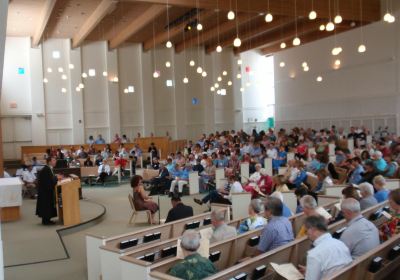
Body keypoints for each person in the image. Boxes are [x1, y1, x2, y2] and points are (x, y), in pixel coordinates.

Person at [298, 216, 352, 280]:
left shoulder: (314, 255)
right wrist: (310, 271)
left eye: (306, 231)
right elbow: (332, 267)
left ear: (312, 230)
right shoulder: (341, 244)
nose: (306, 235)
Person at [36, 157, 58, 225]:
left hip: (46, 191)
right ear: (49, 162)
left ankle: (47, 219)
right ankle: (46, 221)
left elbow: (50, 179)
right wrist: (56, 178)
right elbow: (49, 182)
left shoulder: (49, 168)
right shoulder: (46, 169)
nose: (55, 162)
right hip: (45, 192)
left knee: (48, 205)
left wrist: (55, 177)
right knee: (46, 205)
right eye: (53, 160)